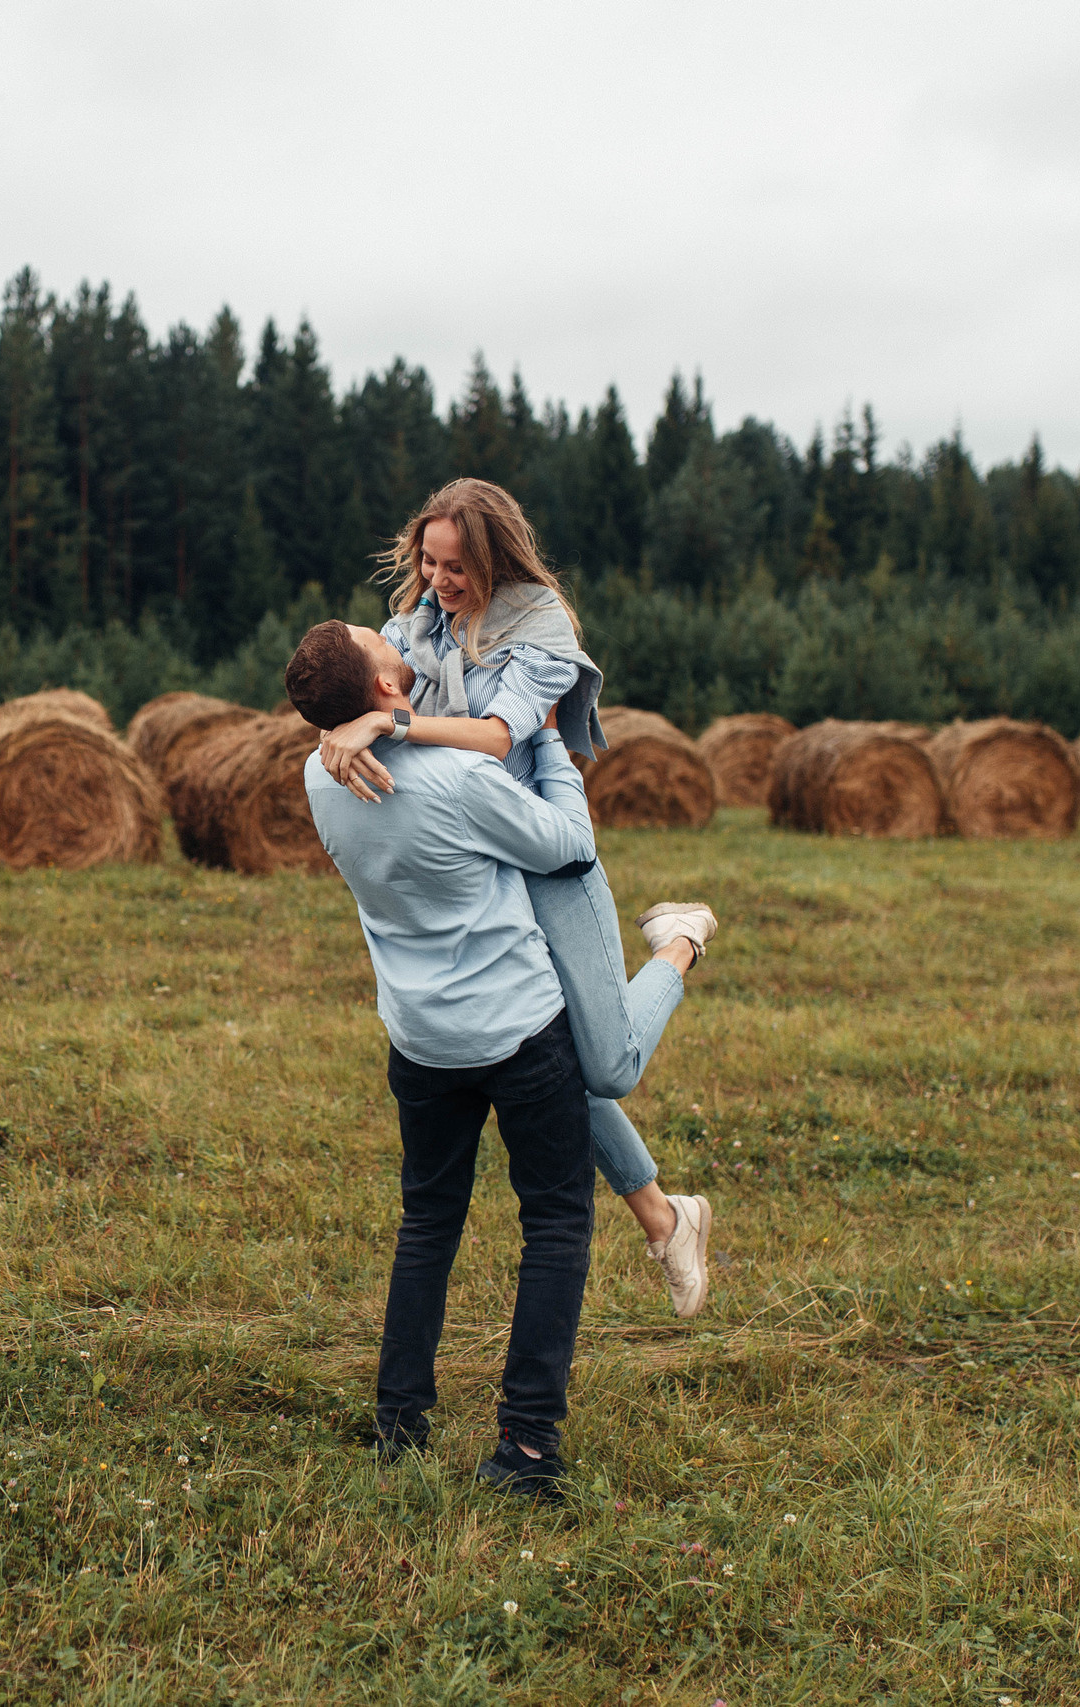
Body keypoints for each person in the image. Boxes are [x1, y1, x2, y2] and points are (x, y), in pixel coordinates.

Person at [287, 616, 718, 1501]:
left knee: (427, 1226)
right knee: (555, 1225)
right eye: (376, 639)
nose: (390, 631)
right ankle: (526, 1448)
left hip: (419, 1040)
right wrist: (552, 742)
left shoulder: (317, 777)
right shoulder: (457, 778)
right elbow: (570, 845)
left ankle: (399, 1423)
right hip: (519, 1033)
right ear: (383, 689)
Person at [316, 478, 715, 1316]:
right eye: (428, 561)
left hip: (540, 843)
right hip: (473, 855)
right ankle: (664, 1215)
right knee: (546, 1057)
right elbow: (360, 687)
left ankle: (678, 940)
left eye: (456, 565)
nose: (438, 580)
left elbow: (501, 735)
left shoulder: (541, 630)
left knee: (607, 1063)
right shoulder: (412, 624)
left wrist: (387, 726)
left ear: (495, 557)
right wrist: (337, 726)